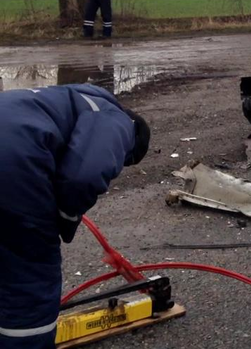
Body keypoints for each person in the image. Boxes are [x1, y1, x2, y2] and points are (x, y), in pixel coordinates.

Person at [0, 83, 151, 349]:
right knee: (29, 278)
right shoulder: (118, 121)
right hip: (13, 167)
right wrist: (66, 220)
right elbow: (85, 176)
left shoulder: (62, 99)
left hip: (13, 151)